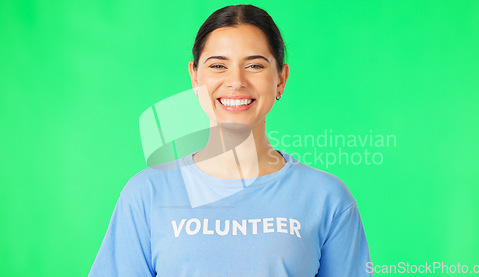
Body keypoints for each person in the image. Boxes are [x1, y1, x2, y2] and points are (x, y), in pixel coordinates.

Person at [89, 4, 372, 277]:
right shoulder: (146, 194)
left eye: (254, 65)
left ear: (281, 79)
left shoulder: (327, 198)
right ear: (195, 77)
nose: (236, 81)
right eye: (218, 66)